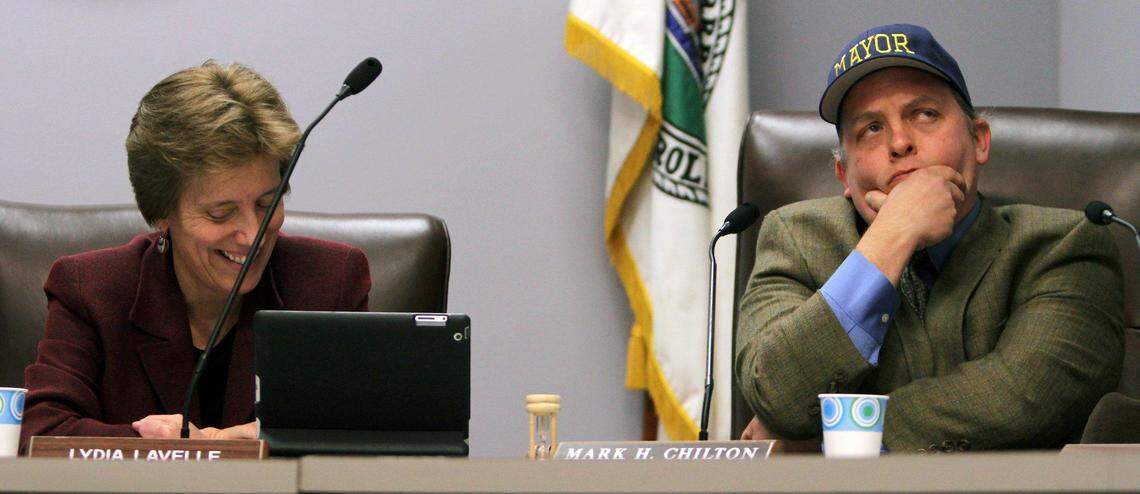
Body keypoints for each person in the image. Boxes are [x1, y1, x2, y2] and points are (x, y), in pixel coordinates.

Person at [735, 24, 1124, 452]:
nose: (900, 142)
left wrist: (828, 438)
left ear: (978, 140)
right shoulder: (795, 238)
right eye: (871, 128)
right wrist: (892, 235)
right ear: (844, 176)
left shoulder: (1063, 245)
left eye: (924, 114)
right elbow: (774, 390)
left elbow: (1025, 397)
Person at [20, 61, 371, 450]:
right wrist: (172, 449)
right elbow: (42, 433)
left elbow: (370, 433)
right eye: (220, 213)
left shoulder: (331, 281)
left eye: (267, 205)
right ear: (161, 214)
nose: (252, 235)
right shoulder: (91, 290)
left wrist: (265, 441)